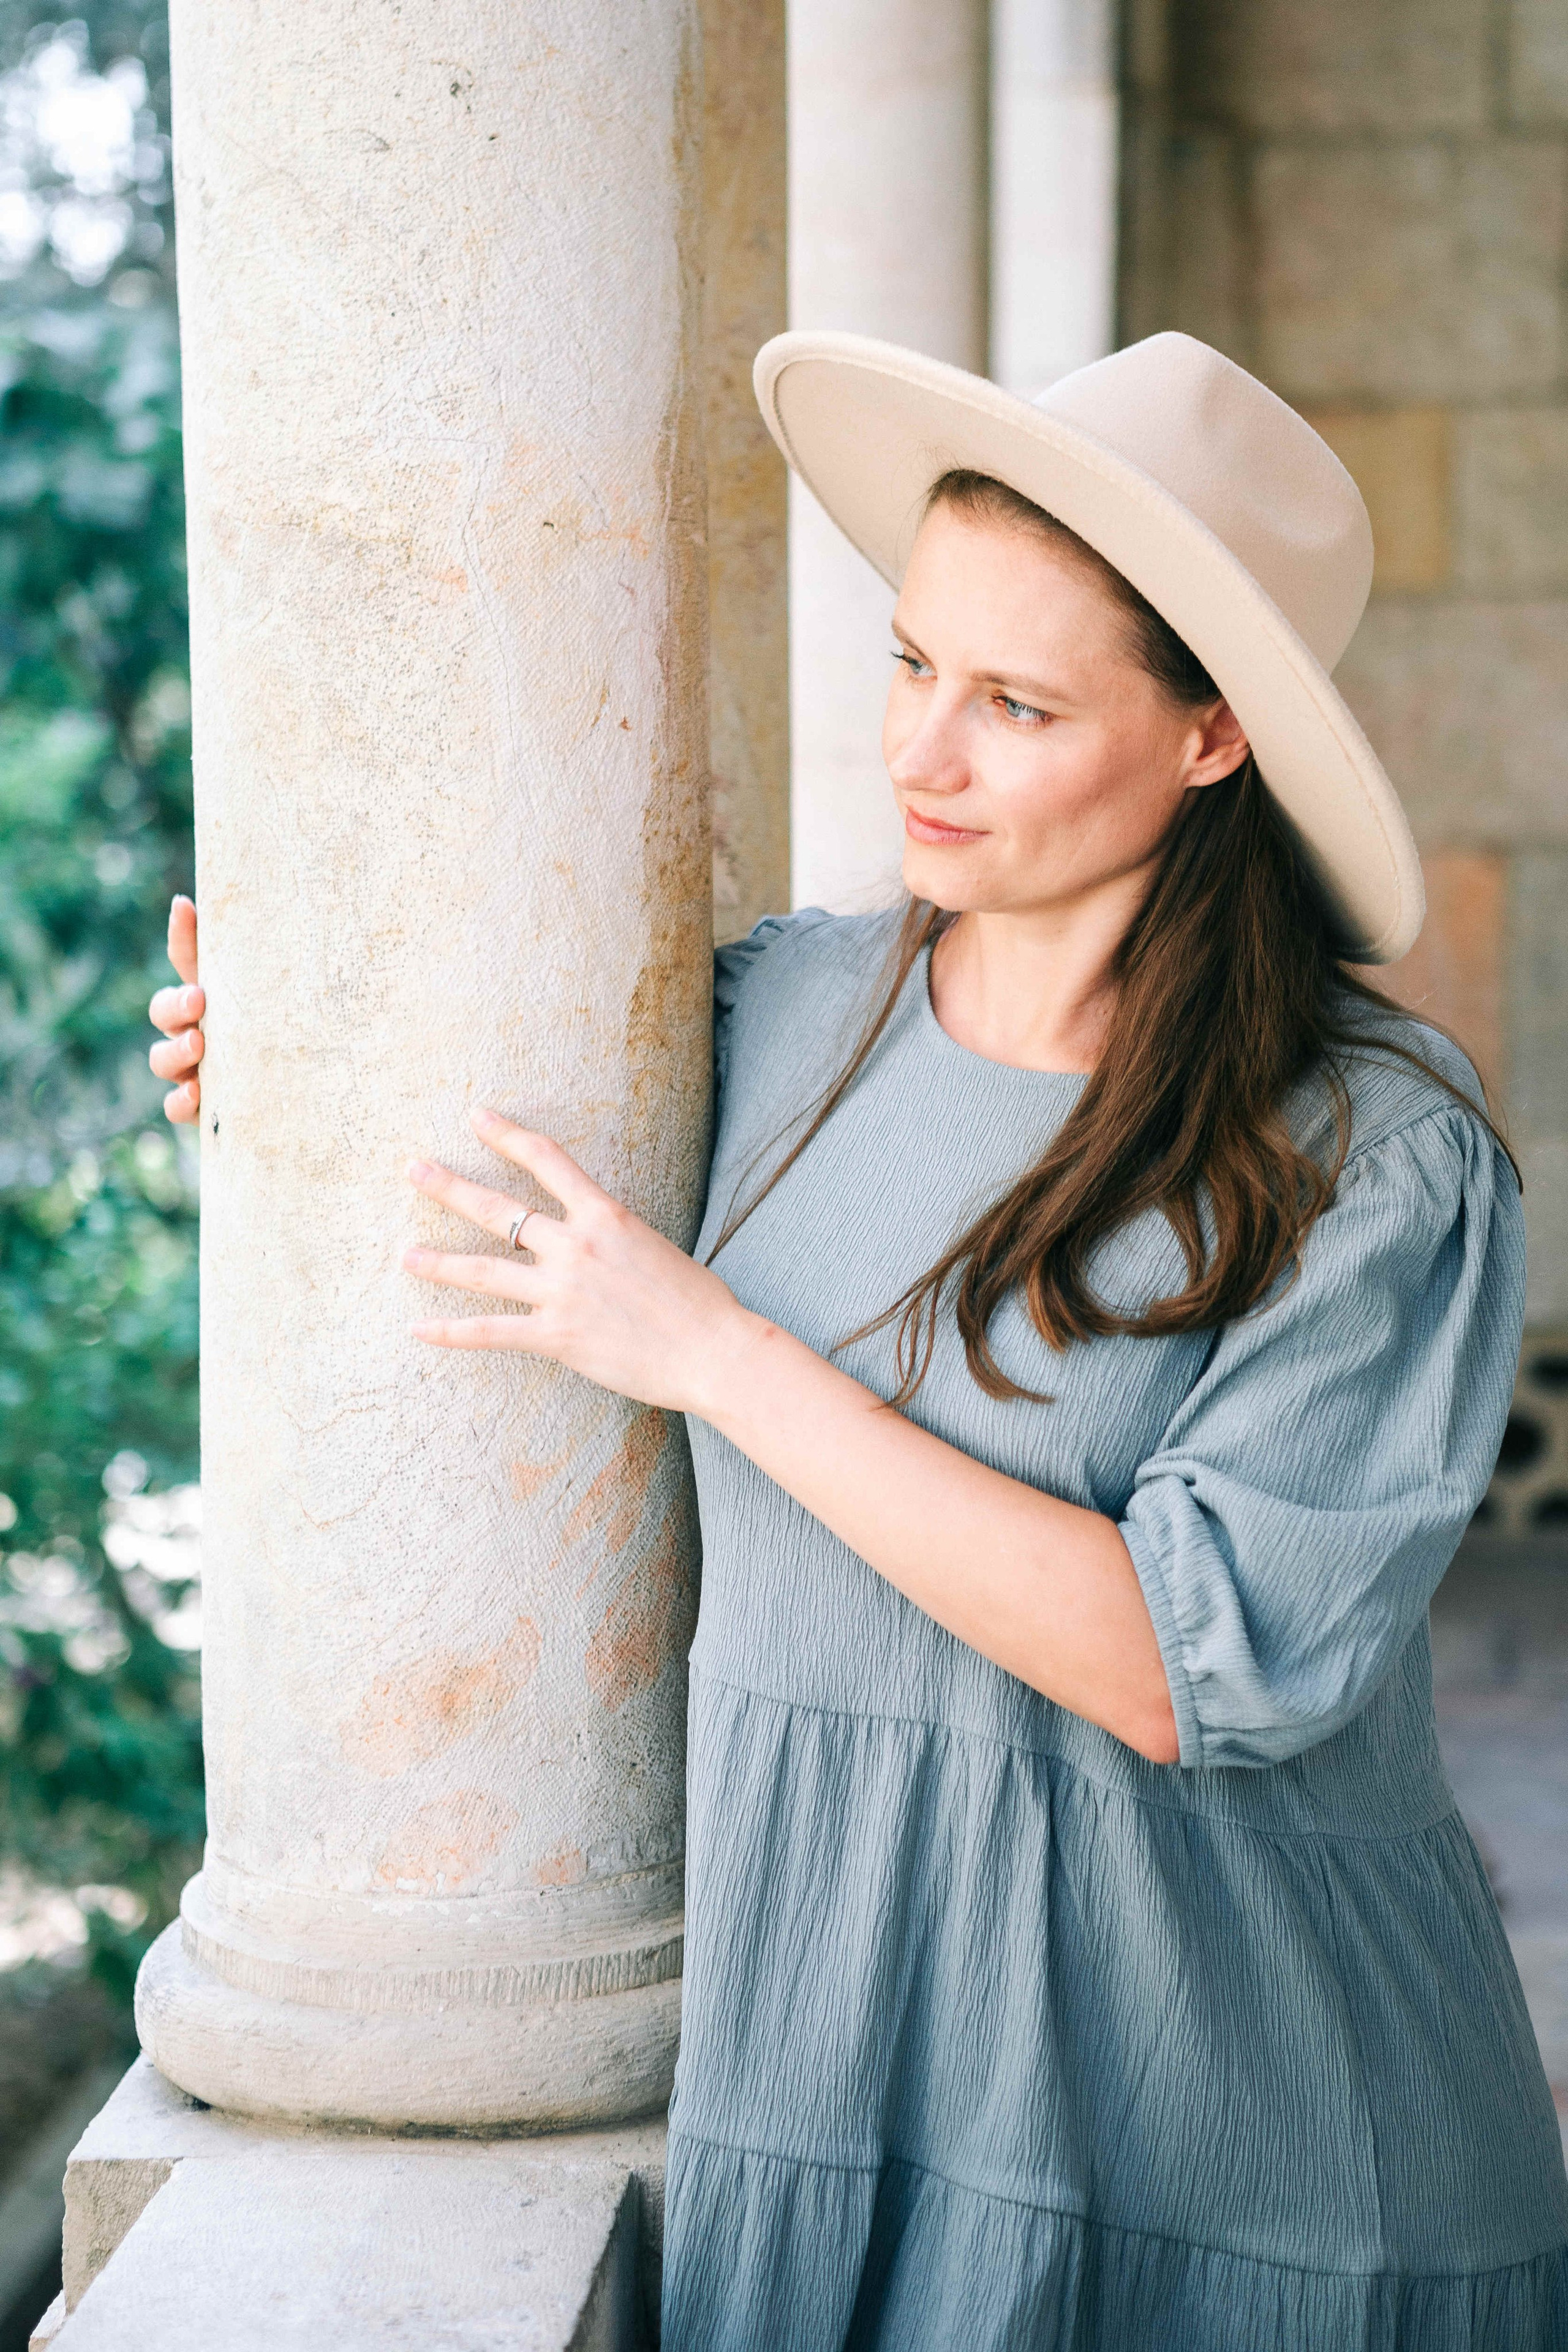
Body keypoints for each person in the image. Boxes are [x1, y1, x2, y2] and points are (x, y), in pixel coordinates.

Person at [149, 331, 1568, 2348]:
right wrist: (276, 1074)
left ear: (1210, 739)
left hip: (1265, 2154)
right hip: (845, 2097)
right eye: (914, 666)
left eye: (1015, 704)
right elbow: (465, 1204)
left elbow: (1194, 1659)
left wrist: (720, 1352)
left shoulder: (1372, 1153)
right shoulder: (767, 1019)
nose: (921, 755)